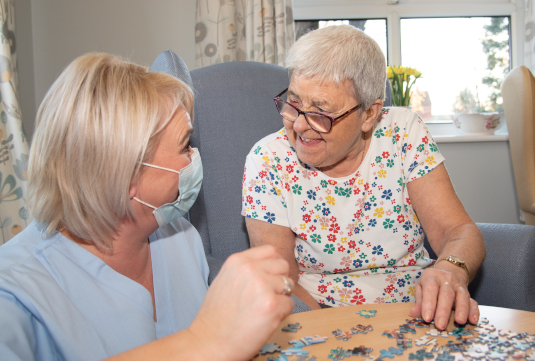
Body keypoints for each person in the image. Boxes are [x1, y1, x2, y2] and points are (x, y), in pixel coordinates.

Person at [0, 53, 294, 361]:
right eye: (184, 146)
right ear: (124, 175)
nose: (194, 157)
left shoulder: (178, 235)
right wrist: (203, 341)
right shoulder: (15, 294)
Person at [242, 25, 486, 331]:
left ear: (369, 114)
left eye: (321, 112)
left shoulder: (402, 133)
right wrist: (336, 334)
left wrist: (451, 270)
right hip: (319, 314)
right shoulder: (267, 160)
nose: (300, 125)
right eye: (293, 103)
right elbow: (281, 280)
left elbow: (459, 230)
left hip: (417, 310)